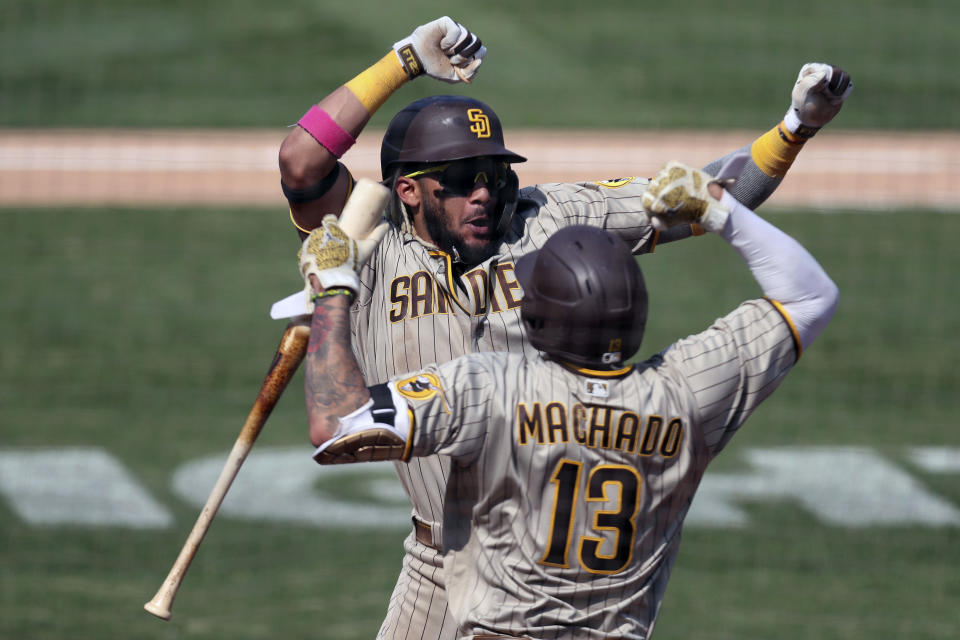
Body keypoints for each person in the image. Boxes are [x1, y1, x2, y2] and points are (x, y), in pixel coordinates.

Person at [275, 16, 852, 640]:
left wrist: (796, 128)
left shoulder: (556, 215)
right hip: (435, 564)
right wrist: (405, 61)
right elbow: (301, 161)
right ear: (409, 191)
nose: (486, 196)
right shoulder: (373, 236)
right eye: (465, 181)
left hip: (544, 561)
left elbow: (714, 195)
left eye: (496, 175)